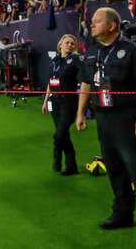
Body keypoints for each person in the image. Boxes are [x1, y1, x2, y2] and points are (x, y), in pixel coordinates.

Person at [76, 8, 136, 241]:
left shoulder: (133, 51)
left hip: (128, 118)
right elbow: (86, 84)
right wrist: (80, 113)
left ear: (112, 25)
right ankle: (123, 213)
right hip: (103, 119)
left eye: (97, 21)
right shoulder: (92, 51)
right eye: (92, 21)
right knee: (114, 168)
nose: (92, 24)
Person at [42, 34, 81, 175]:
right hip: (54, 101)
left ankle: (56, 157)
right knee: (63, 135)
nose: (69, 45)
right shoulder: (55, 61)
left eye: (72, 43)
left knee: (59, 134)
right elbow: (51, 81)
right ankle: (72, 166)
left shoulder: (76, 60)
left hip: (68, 102)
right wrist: (46, 100)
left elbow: (84, 80)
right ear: (60, 45)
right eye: (67, 42)